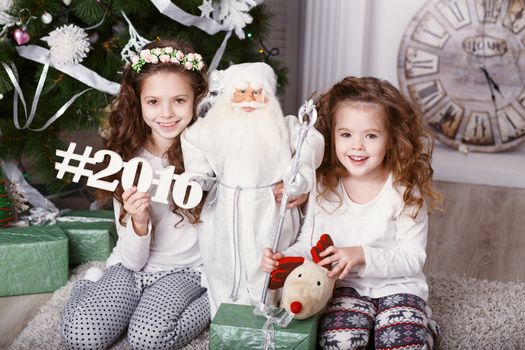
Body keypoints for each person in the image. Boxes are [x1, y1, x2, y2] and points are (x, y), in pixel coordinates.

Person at [261, 76, 441, 349]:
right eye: (346, 134)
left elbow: (412, 259)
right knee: (338, 343)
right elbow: (309, 245)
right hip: (345, 288)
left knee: (404, 344)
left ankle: (423, 325)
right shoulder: (323, 185)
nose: (357, 146)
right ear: (332, 136)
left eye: (370, 135)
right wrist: (282, 259)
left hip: (398, 286)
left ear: (391, 139)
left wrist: (360, 255)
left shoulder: (405, 191)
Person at [61, 39, 210, 350]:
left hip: (185, 273)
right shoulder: (127, 158)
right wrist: (139, 222)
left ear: (197, 99)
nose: (166, 113)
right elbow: (131, 258)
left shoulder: (210, 157)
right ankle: (90, 286)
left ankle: (213, 301)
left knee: (148, 337)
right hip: (131, 267)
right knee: (81, 336)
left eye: (179, 100)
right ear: (138, 102)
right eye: (153, 101)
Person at [181, 62, 324, 315]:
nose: (249, 100)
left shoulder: (286, 126)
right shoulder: (212, 127)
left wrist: (299, 176)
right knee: (225, 264)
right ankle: (227, 316)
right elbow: (192, 142)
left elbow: (311, 141)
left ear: (268, 95)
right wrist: (198, 176)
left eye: (257, 93)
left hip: (269, 208)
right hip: (225, 209)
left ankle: (268, 313)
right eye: (241, 92)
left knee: (268, 263)